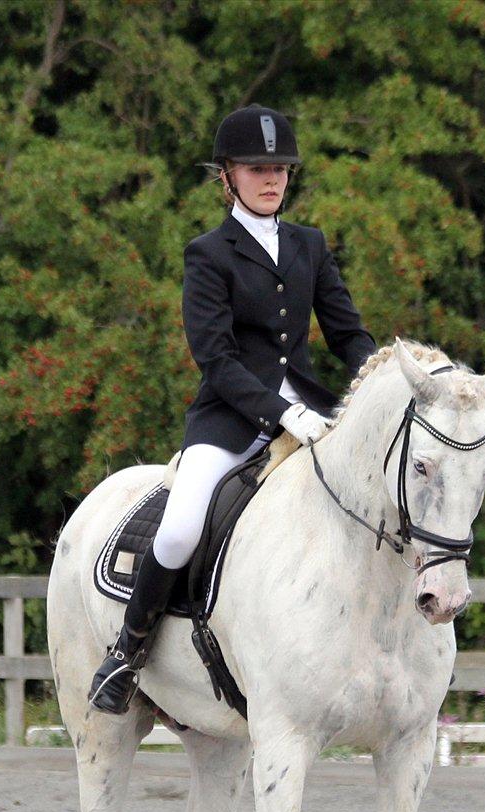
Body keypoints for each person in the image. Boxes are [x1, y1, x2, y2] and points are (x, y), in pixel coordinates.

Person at [89, 103, 376, 714]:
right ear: (227, 176)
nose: (272, 179)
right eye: (256, 168)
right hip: (229, 420)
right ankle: (127, 651)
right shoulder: (208, 254)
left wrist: (379, 383)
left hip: (313, 414)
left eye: (281, 169)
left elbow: (349, 334)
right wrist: (280, 412)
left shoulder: (310, 246)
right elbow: (216, 360)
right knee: (183, 524)